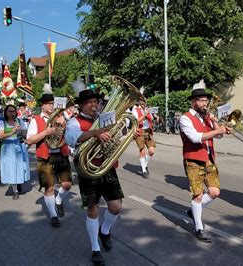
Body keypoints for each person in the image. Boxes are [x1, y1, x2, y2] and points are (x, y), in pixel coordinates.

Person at [65, 86, 125, 265]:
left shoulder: (105, 119)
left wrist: (125, 135)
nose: (94, 105)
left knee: (116, 207)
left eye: (95, 102)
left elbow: (117, 138)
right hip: (87, 169)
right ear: (82, 105)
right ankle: (95, 249)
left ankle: (105, 231)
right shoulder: (74, 122)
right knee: (93, 209)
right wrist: (95, 132)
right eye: (89, 102)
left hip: (107, 167)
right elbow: (72, 138)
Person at [179, 80, 232, 243]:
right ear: (194, 102)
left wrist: (217, 124)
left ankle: (194, 211)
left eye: (206, 101)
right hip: (193, 159)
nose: (206, 103)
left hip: (208, 158)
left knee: (215, 192)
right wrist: (217, 130)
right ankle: (199, 228)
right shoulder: (185, 118)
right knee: (197, 195)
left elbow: (219, 135)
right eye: (202, 101)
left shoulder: (206, 118)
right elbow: (195, 138)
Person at [26, 92, 73, 227]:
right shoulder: (36, 120)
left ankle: (58, 200)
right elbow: (29, 140)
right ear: (43, 106)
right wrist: (45, 133)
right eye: (49, 104)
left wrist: (64, 125)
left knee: (67, 185)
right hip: (45, 157)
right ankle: (53, 215)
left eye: (53, 104)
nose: (52, 106)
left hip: (61, 154)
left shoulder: (61, 117)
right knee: (49, 188)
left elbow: (70, 136)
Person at [0, 104, 30, 200]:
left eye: (13, 111)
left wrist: (22, 132)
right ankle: (15, 191)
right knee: (11, 168)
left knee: (21, 166)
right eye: (10, 111)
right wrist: (13, 131)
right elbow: (1, 136)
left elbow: (26, 133)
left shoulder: (19, 120)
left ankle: (19, 182)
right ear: (6, 112)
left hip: (19, 145)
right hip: (8, 147)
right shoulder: (2, 123)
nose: (12, 113)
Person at [132, 99, 156, 179]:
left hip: (148, 132)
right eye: (142, 102)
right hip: (140, 132)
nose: (143, 103)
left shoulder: (147, 109)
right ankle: (144, 170)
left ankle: (144, 164)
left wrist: (155, 117)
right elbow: (135, 121)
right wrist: (144, 115)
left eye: (144, 102)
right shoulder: (135, 110)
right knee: (142, 151)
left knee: (152, 151)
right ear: (139, 102)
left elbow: (151, 119)